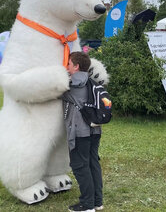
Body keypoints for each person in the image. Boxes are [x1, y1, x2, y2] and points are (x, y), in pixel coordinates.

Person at [63, 52, 103, 212]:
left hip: (80, 131)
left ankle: (87, 205)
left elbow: (53, 89)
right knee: (93, 163)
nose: (66, 67)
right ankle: (97, 201)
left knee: (80, 165)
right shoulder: (91, 81)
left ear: (77, 66)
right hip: (94, 129)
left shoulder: (73, 83)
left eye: (69, 64)